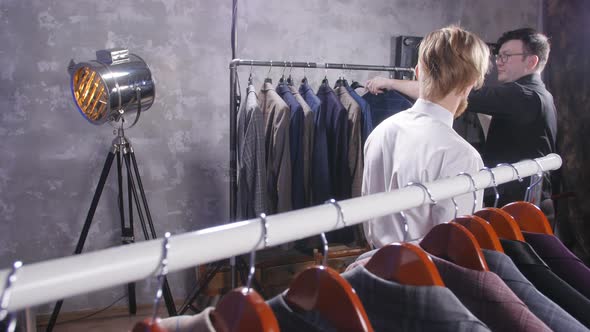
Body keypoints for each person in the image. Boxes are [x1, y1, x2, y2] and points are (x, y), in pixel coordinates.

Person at [367, 28, 557, 209]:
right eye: (498, 55)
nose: (499, 61)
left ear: (531, 61)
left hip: (522, 205)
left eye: (506, 56)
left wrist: (390, 82)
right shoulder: (534, 97)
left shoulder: (527, 97)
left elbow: (446, 91)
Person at [362, 25, 490, 248]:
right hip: (426, 277)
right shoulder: (460, 155)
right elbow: (455, 247)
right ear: (470, 86)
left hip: (372, 268)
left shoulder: (381, 131)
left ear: (418, 73)